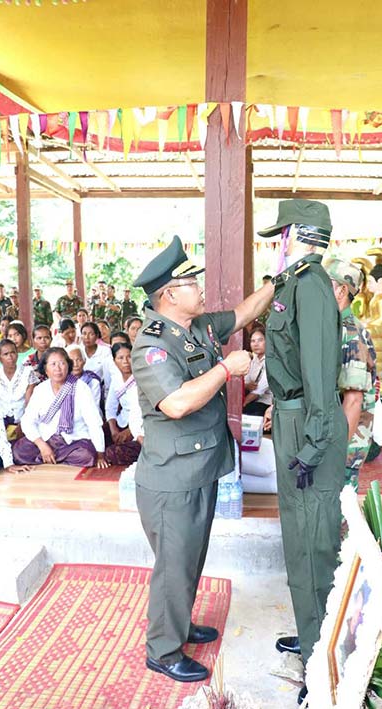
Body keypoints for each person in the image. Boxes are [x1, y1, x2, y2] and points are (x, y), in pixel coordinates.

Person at [131, 235, 274, 683]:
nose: (200, 288)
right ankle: (163, 649)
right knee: (174, 566)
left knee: (190, 557)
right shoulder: (152, 345)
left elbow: (246, 312)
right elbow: (175, 403)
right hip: (172, 479)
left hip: (200, 469)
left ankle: (180, 622)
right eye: (191, 283)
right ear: (169, 296)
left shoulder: (199, 327)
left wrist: (278, 279)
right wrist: (225, 369)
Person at [258, 199, 347, 706]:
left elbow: (317, 372)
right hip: (294, 419)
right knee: (298, 538)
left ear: (297, 234)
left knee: (314, 543)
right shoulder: (295, 283)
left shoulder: (311, 286)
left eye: (281, 234)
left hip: (309, 424)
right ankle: (313, 633)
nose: (277, 243)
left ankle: (325, 665)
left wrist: (313, 443)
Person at [325, 258, 378, 492]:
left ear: (341, 291)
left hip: (345, 445)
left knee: (340, 505)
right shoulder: (335, 327)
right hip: (334, 436)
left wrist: (336, 453)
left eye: (325, 284)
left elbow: (354, 399)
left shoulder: (351, 334)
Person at [12, 347, 108, 468]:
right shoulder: (40, 390)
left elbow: (94, 423)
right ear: (46, 369)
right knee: (18, 451)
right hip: (46, 438)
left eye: (62, 363)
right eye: (53, 364)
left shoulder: (81, 388)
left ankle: (48, 459)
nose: (58, 368)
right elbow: (28, 421)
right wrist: (42, 445)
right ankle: (53, 457)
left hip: (73, 441)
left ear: (68, 366)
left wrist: (100, 454)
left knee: (87, 455)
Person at [104, 343, 141, 466]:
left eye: (129, 357)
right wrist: (114, 430)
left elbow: (147, 412)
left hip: (140, 427)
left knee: (113, 453)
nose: (125, 361)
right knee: (99, 436)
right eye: (120, 358)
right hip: (122, 422)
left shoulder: (142, 378)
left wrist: (131, 431)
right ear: (114, 361)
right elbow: (110, 407)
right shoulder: (116, 379)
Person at [0, 339, 38, 440]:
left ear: (17, 354)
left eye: (13, 352)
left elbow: (30, 404)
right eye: (5, 354)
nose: (10, 357)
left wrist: (23, 424)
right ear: (0, 358)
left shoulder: (28, 373)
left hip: (21, 421)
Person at [243, 326, 272, 417]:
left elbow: (259, 390)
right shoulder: (252, 359)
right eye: (253, 341)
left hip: (266, 403)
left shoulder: (271, 360)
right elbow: (246, 380)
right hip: (252, 401)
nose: (256, 344)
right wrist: (247, 385)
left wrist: (242, 404)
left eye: (260, 340)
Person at [67, 344, 103, 411]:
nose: (75, 364)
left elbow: (94, 408)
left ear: (84, 361)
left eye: (78, 360)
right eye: (71, 361)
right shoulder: (62, 381)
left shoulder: (93, 382)